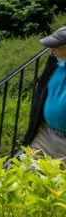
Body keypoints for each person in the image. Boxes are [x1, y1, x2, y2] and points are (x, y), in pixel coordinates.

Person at [19, 27, 66, 160]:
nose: (51, 51)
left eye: (57, 47)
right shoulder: (55, 64)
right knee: (26, 168)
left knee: (57, 180)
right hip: (46, 133)